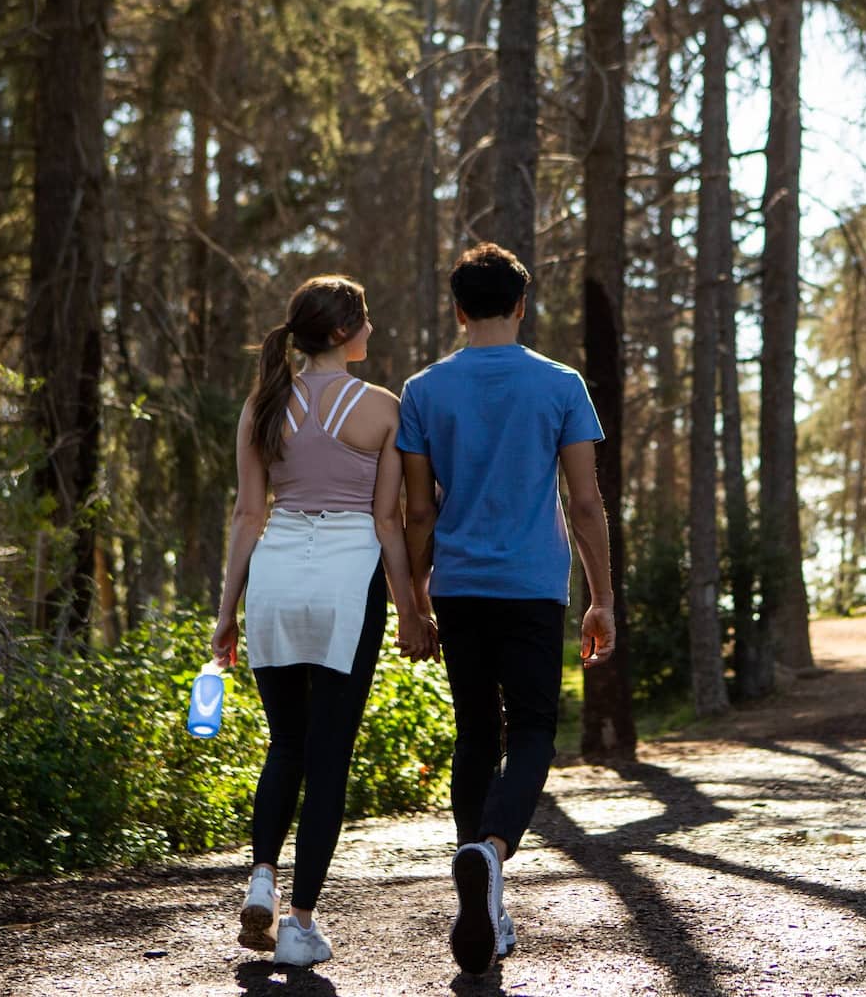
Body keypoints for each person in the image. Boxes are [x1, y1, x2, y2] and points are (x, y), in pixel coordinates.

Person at [397, 243, 618, 976]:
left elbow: (419, 512)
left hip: (459, 585)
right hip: (532, 586)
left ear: (459, 309)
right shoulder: (560, 384)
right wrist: (601, 599)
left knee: (473, 734)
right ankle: (491, 853)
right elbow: (584, 503)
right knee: (530, 732)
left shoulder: (423, 390)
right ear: (522, 305)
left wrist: (414, 602)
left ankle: (484, 894)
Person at [209, 276, 438, 968]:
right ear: (341, 333)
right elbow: (388, 522)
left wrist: (226, 613)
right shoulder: (383, 408)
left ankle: (261, 877)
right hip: (347, 580)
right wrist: (412, 610)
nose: (371, 330)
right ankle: (300, 924)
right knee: (329, 756)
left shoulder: (263, 404)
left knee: (286, 744)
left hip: (274, 579)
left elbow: (249, 514)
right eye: (364, 320)